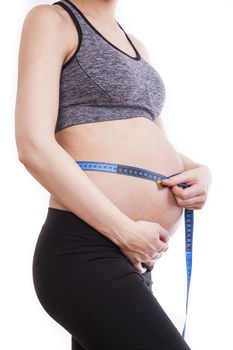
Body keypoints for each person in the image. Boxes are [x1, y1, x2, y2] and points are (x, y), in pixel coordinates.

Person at [15, 0, 212, 349]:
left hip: (136, 256)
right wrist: (124, 231)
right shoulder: (54, 20)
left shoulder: (137, 46)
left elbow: (152, 140)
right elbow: (33, 145)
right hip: (84, 249)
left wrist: (199, 172)